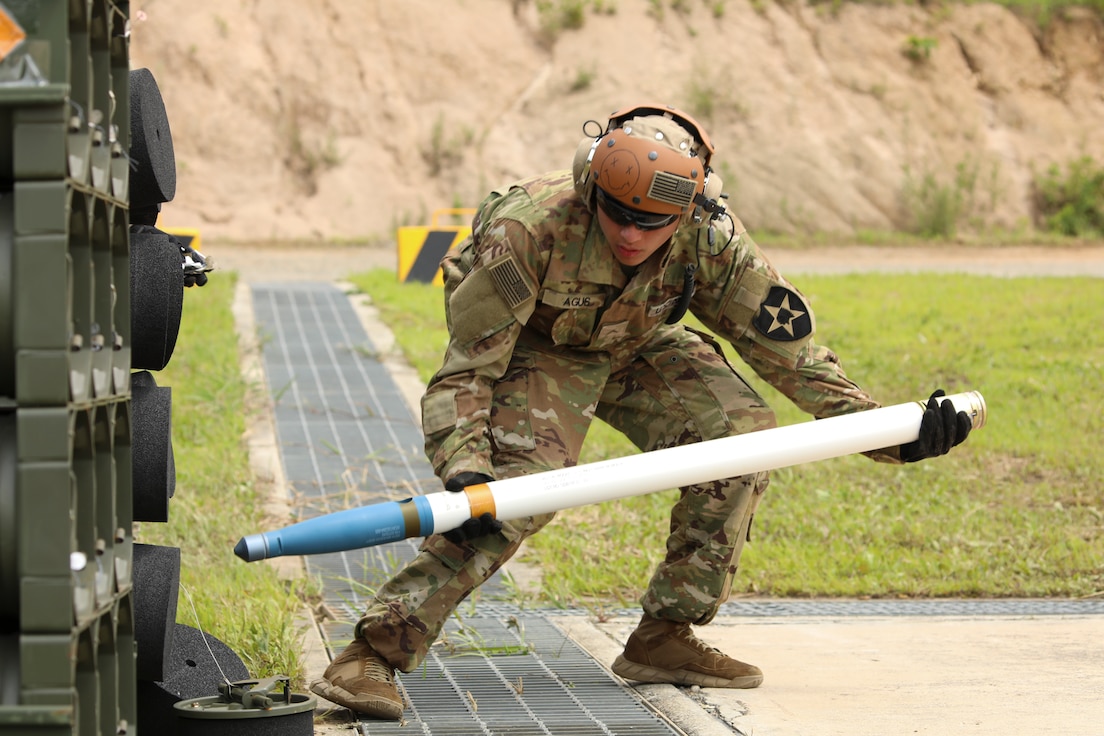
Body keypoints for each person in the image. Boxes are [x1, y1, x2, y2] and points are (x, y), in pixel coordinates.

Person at [310, 103, 973, 719]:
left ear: (687, 211)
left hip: (641, 340)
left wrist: (893, 434)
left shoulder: (712, 241)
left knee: (742, 440)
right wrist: (465, 465)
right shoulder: (528, 231)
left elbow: (789, 356)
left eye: (652, 223)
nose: (631, 233)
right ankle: (372, 653)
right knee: (514, 494)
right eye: (617, 214)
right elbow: (468, 369)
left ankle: (664, 634)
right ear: (591, 188)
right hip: (536, 348)